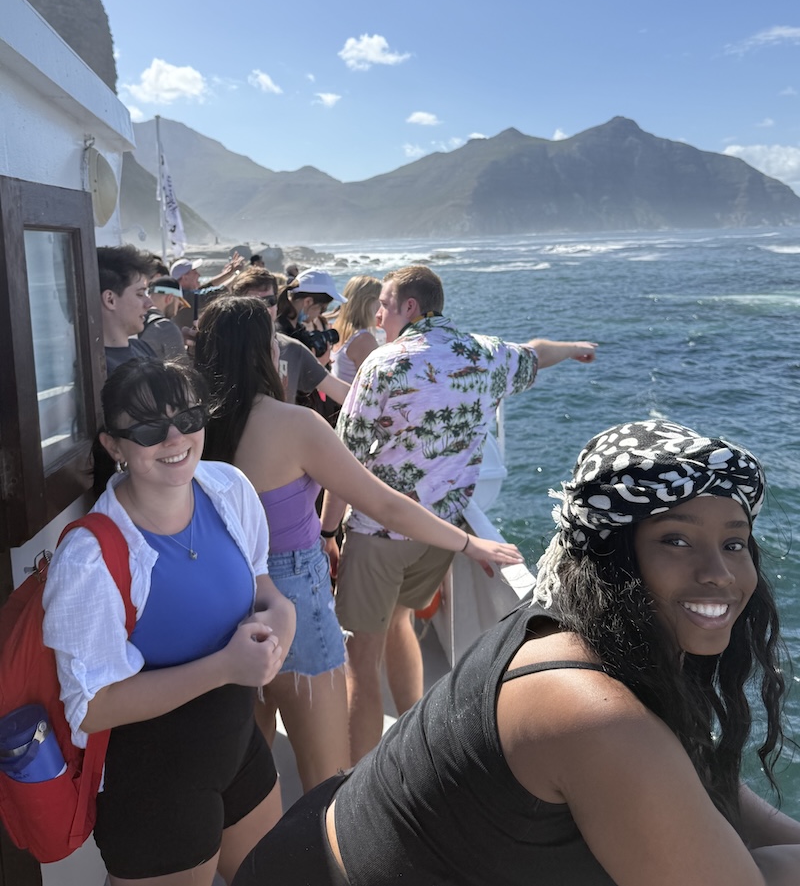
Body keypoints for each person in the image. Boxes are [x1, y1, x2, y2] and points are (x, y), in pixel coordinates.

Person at [234, 419, 800, 886]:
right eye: (675, 540)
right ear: (612, 555)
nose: (719, 573)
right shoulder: (593, 712)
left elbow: (713, 791)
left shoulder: (572, 628)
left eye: (734, 543)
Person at [193, 295, 523, 793]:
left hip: (220, 599)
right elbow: (386, 504)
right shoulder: (294, 425)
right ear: (261, 351)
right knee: (325, 775)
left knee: (250, 769)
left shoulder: (192, 430)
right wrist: (466, 544)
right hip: (294, 598)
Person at [323, 264, 596, 760]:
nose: (377, 312)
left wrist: (327, 530)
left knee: (360, 661)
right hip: (440, 535)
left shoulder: (384, 363)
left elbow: (345, 457)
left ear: (410, 307)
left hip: (378, 534)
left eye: (384, 303)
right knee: (402, 622)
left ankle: (354, 781)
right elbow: (536, 351)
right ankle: (412, 749)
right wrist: (575, 347)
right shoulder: (486, 353)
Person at [42, 359, 296, 885]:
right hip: (154, 784)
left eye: (190, 416)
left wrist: (282, 624)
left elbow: (264, 588)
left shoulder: (228, 489)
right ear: (115, 446)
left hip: (237, 749)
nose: (176, 438)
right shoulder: (92, 558)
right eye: (151, 429)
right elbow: (91, 708)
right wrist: (228, 666)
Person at [230, 266, 350, 407]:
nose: (264, 309)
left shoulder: (293, 348)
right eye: (254, 303)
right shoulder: (221, 349)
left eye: (270, 301)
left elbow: (341, 392)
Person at [97, 244, 157, 375]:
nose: (150, 303)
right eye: (140, 294)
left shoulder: (142, 347)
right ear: (110, 300)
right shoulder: (99, 368)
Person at [330, 275, 381, 384]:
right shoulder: (363, 340)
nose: (382, 307)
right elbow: (376, 385)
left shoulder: (339, 328)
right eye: (381, 301)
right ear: (368, 304)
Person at [139, 274, 190, 360]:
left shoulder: (135, 322)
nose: (177, 311)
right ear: (169, 298)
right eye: (179, 305)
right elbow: (182, 369)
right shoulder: (166, 327)